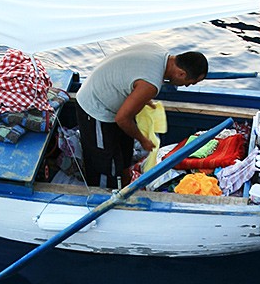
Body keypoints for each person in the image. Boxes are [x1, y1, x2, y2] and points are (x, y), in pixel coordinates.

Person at [74, 44, 209, 188]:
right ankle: (102, 194)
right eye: (189, 83)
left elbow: (133, 76)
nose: (187, 86)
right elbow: (122, 119)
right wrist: (143, 140)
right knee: (106, 164)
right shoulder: (151, 83)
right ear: (181, 74)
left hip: (112, 102)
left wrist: (142, 98)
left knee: (126, 150)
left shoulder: (160, 52)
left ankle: (124, 181)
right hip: (95, 108)